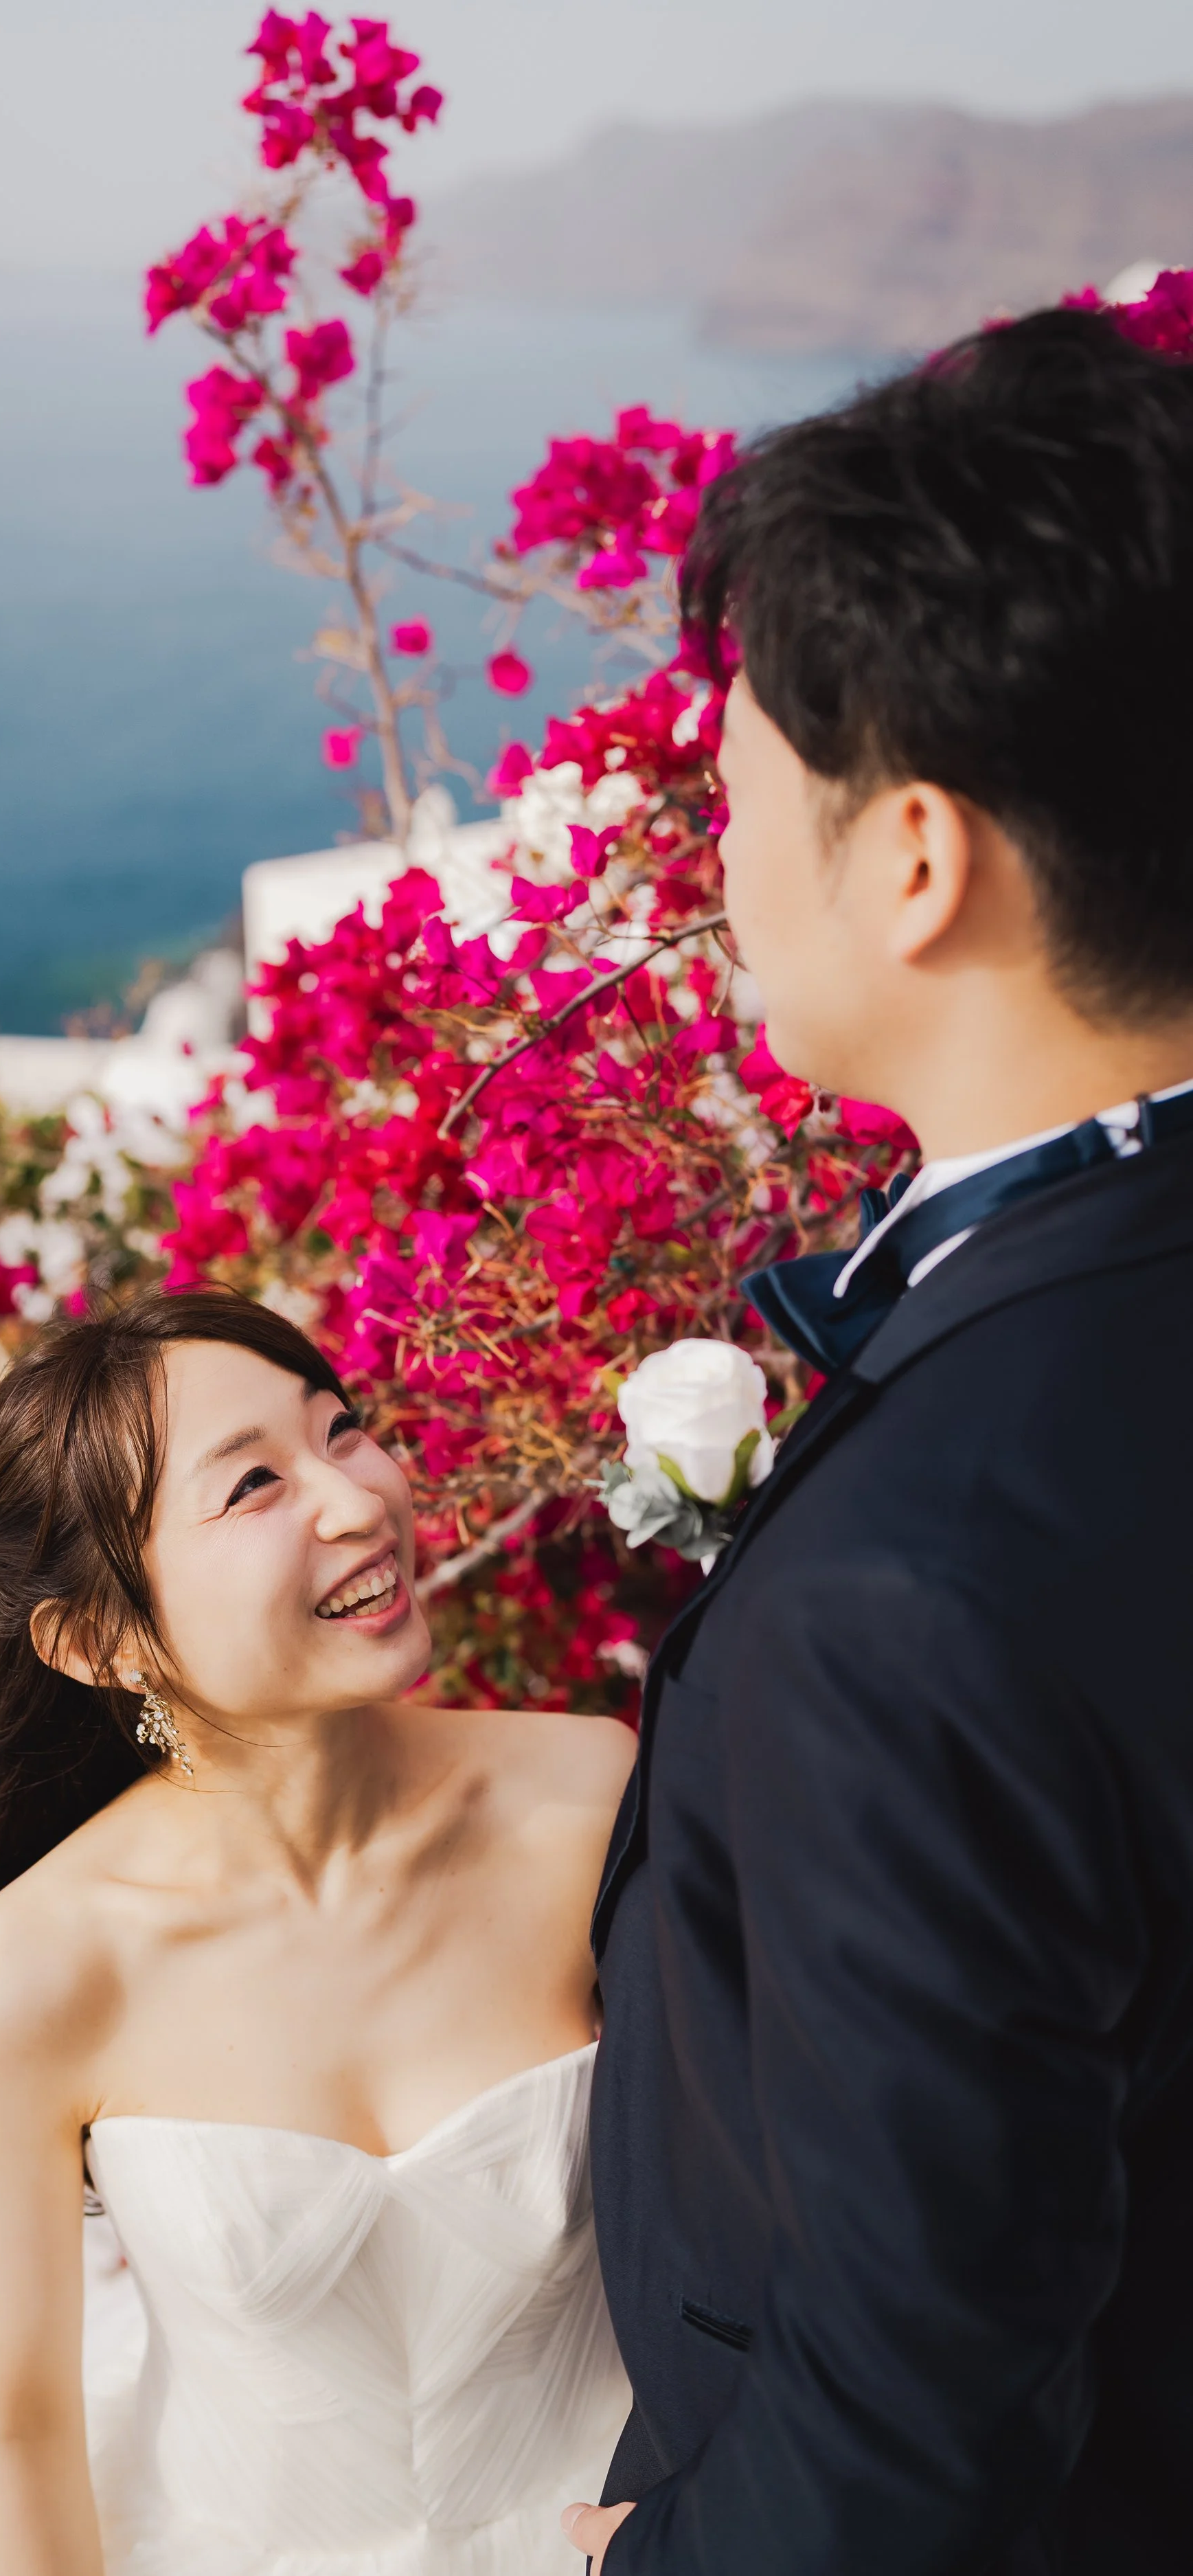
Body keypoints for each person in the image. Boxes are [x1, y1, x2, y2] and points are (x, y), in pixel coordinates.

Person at [562, 303, 1193, 2574]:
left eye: (738, 804)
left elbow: (912, 2418)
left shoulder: (900, 1602)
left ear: (914, 857)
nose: (721, 865)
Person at [0, 1286, 635, 2576]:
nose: (360, 1498)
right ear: (101, 1639)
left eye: (342, 1429)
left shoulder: (588, 1798)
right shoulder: (26, 1985)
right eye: (254, 1485)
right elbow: (19, 2431)